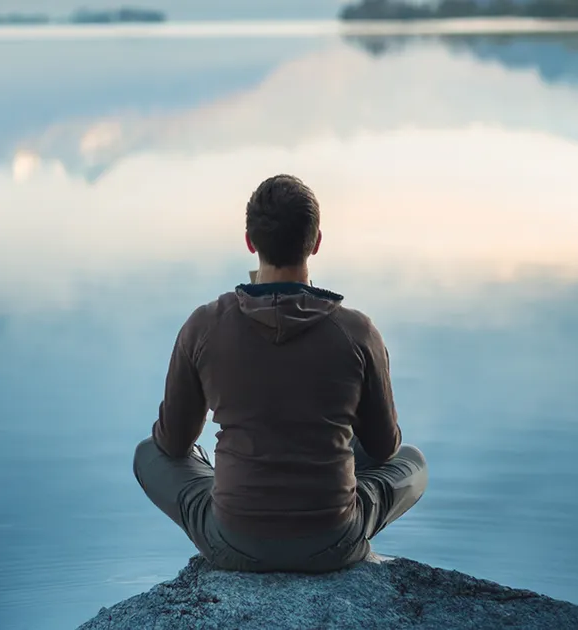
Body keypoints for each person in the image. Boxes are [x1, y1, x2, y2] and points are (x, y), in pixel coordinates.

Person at [132, 174, 428, 573]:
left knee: (148, 453)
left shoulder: (204, 326)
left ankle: (240, 497)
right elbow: (383, 447)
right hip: (333, 542)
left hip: (233, 543)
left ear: (250, 242)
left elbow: (172, 443)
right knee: (411, 462)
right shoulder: (358, 332)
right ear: (316, 242)